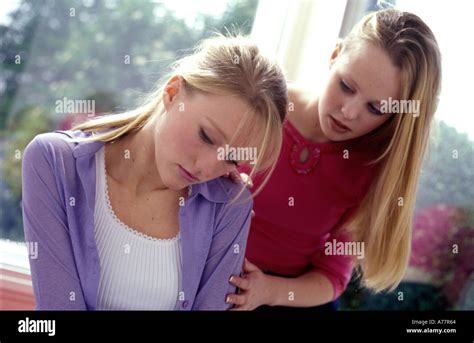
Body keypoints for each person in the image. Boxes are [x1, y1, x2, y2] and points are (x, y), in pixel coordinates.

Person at [22, 35, 288, 310]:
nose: (206, 168)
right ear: (173, 92)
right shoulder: (53, 162)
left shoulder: (229, 205)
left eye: (232, 159)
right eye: (206, 136)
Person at [226, 9, 442, 310]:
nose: (349, 112)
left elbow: (332, 275)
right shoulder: (259, 106)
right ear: (334, 54)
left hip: (289, 297)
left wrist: (269, 291)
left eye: (376, 108)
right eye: (346, 86)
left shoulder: (369, 171)